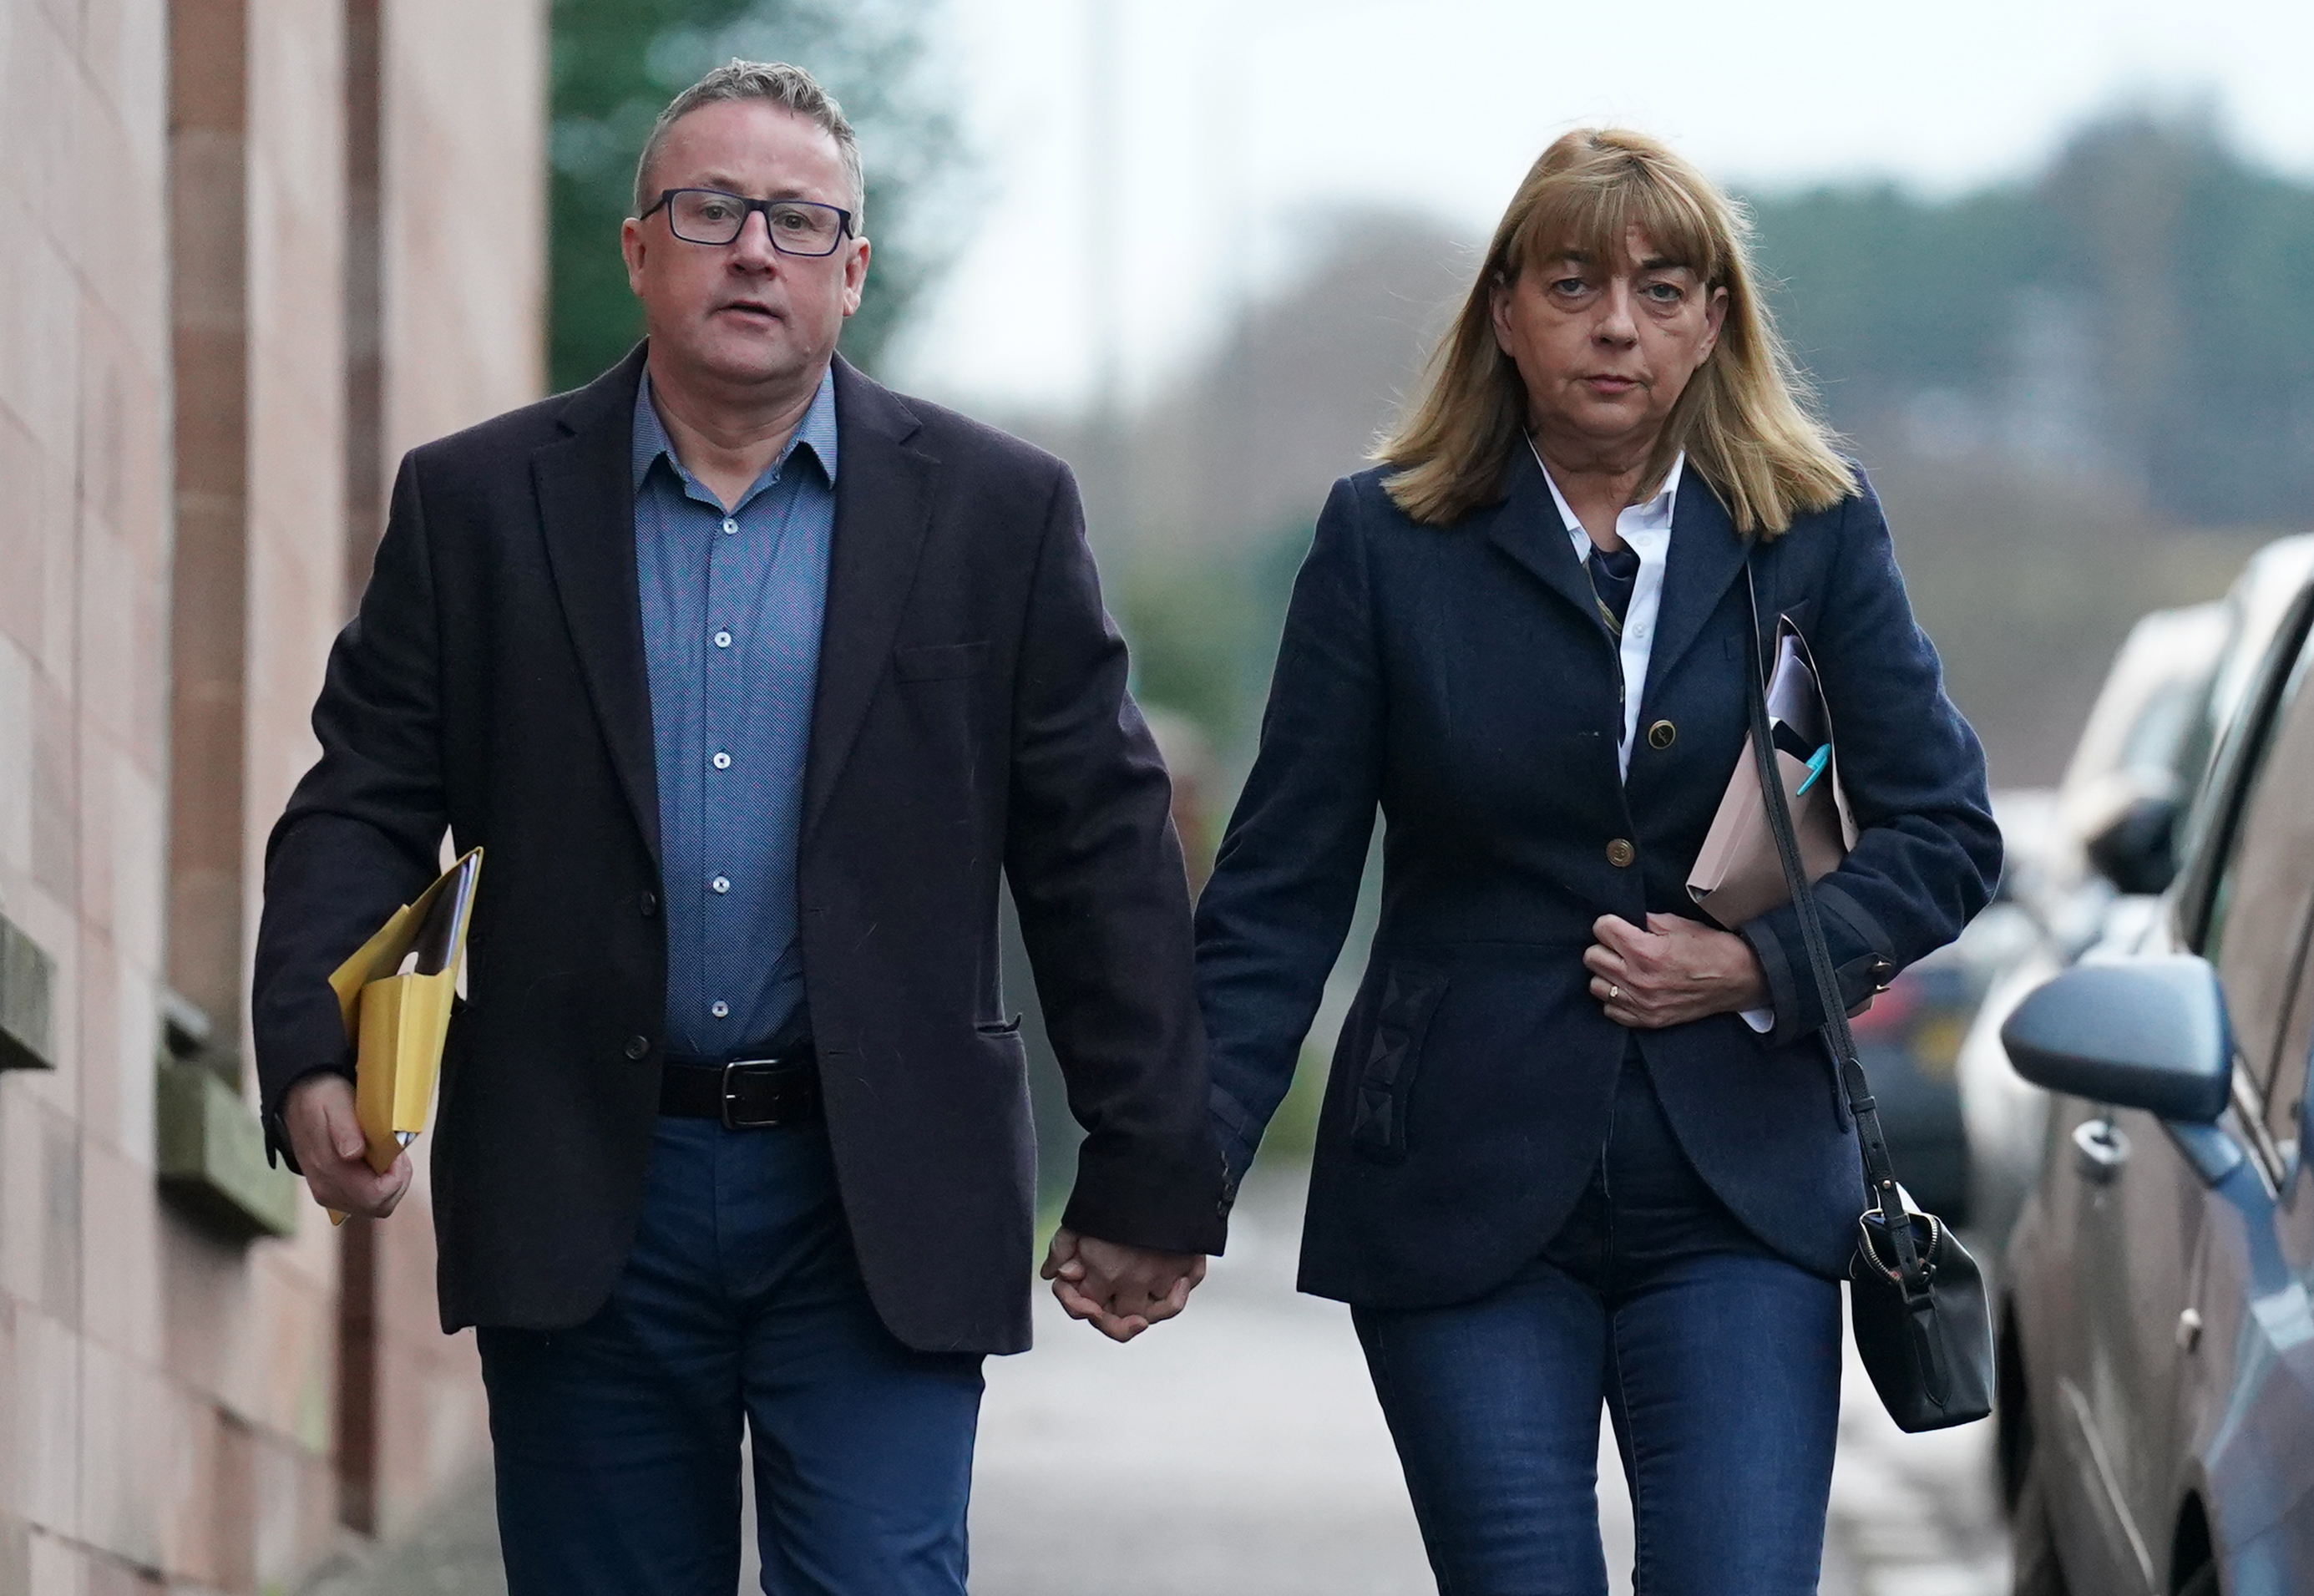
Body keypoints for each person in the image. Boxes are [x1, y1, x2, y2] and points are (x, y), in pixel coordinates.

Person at [251, 58, 1226, 1596]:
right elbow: (364, 794)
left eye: (797, 218)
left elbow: (1099, 853)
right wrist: (315, 1041)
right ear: (642, 250)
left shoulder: (997, 512)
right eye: (710, 210)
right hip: (584, 1185)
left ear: (853, 269)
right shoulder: (479, 504)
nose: (754, 247)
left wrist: (1152, 1161)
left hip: (878, 1192)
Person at [1194, 129, 2002, 1594]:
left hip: (1742, 1192)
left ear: (1711, 326)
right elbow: (1279, 887)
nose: (1617, 322)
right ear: (1506, 312)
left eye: (1661, 287)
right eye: (1572, 283)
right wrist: (1172, 1180)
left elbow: (1946, 832)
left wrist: (1753, 963)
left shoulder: (1811, 528)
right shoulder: (1385, 540)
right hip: (1460, 1185)